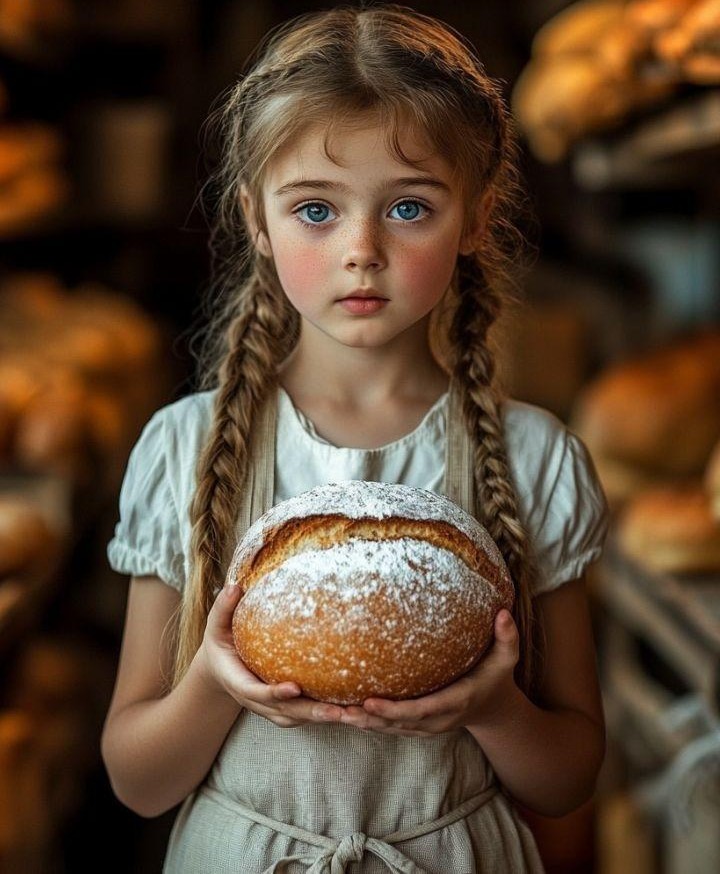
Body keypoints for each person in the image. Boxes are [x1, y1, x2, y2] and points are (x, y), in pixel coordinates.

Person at [101, 5, 609, 872]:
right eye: (314, 211)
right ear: (255, 220)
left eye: (409, 207)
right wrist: (220, 683)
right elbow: (138, 781)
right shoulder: (184, 449)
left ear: (476, 221)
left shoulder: (536, 460)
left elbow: (568, 777)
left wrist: (492, 709)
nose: (362, 249)